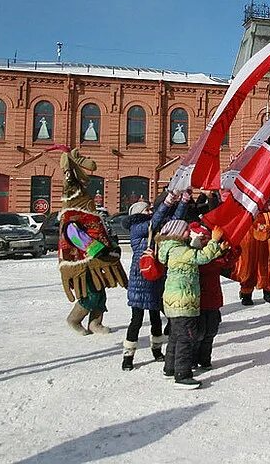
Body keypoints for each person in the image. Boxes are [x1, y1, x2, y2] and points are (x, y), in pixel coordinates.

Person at [56, 148, 127, 335]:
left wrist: (111, 245)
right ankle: (74, 319)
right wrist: (99, 250)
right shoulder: (71, 218)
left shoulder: (86, 215)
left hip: (95, 260)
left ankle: (95, 323)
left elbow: (98, 231)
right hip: (83, 261)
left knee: (100, 290)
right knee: (90, 293)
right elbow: (75, 236)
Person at [157, 220, 227, 390]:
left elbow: (191, 252)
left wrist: (198, 243)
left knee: (175, 336)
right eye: (186, 230)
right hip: (184, 301)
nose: (189, 232)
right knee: (186, 339)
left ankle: (170, 368)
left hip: (173, 300)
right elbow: (201, 257)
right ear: (177, 233)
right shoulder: (180, 251)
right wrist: (214, 241)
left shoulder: (169, 248)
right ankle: (182, 375)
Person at [122, 191, 186, 371]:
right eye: (147, 209)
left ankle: (157, 351)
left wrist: (183, 202)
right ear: (138, 213)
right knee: (137, 318)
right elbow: (155, 221)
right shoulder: (138, 228)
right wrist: (166, 202)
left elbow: (174, 221)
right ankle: (128, 356)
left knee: (156, 317)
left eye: (151, 209)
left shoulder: (154, 227)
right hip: (140, 279)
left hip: (156, 277)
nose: (150, 210)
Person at [195, 244, 241, 371]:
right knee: (198, 333)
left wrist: (234, 246)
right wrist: (219, 252)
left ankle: (204, 360)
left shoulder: (215, 256)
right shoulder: (195, 255)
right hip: (196, 301)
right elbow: (210, 264)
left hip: (213, 299)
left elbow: (228, 262)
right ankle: (193, 359)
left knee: (210, 332)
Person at [235, 210, 270, 305]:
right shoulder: (245, 211)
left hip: (267, 243)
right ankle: (246, 294)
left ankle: (268, 292)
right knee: (249, 267)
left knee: (268, 267)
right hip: (249, 242)